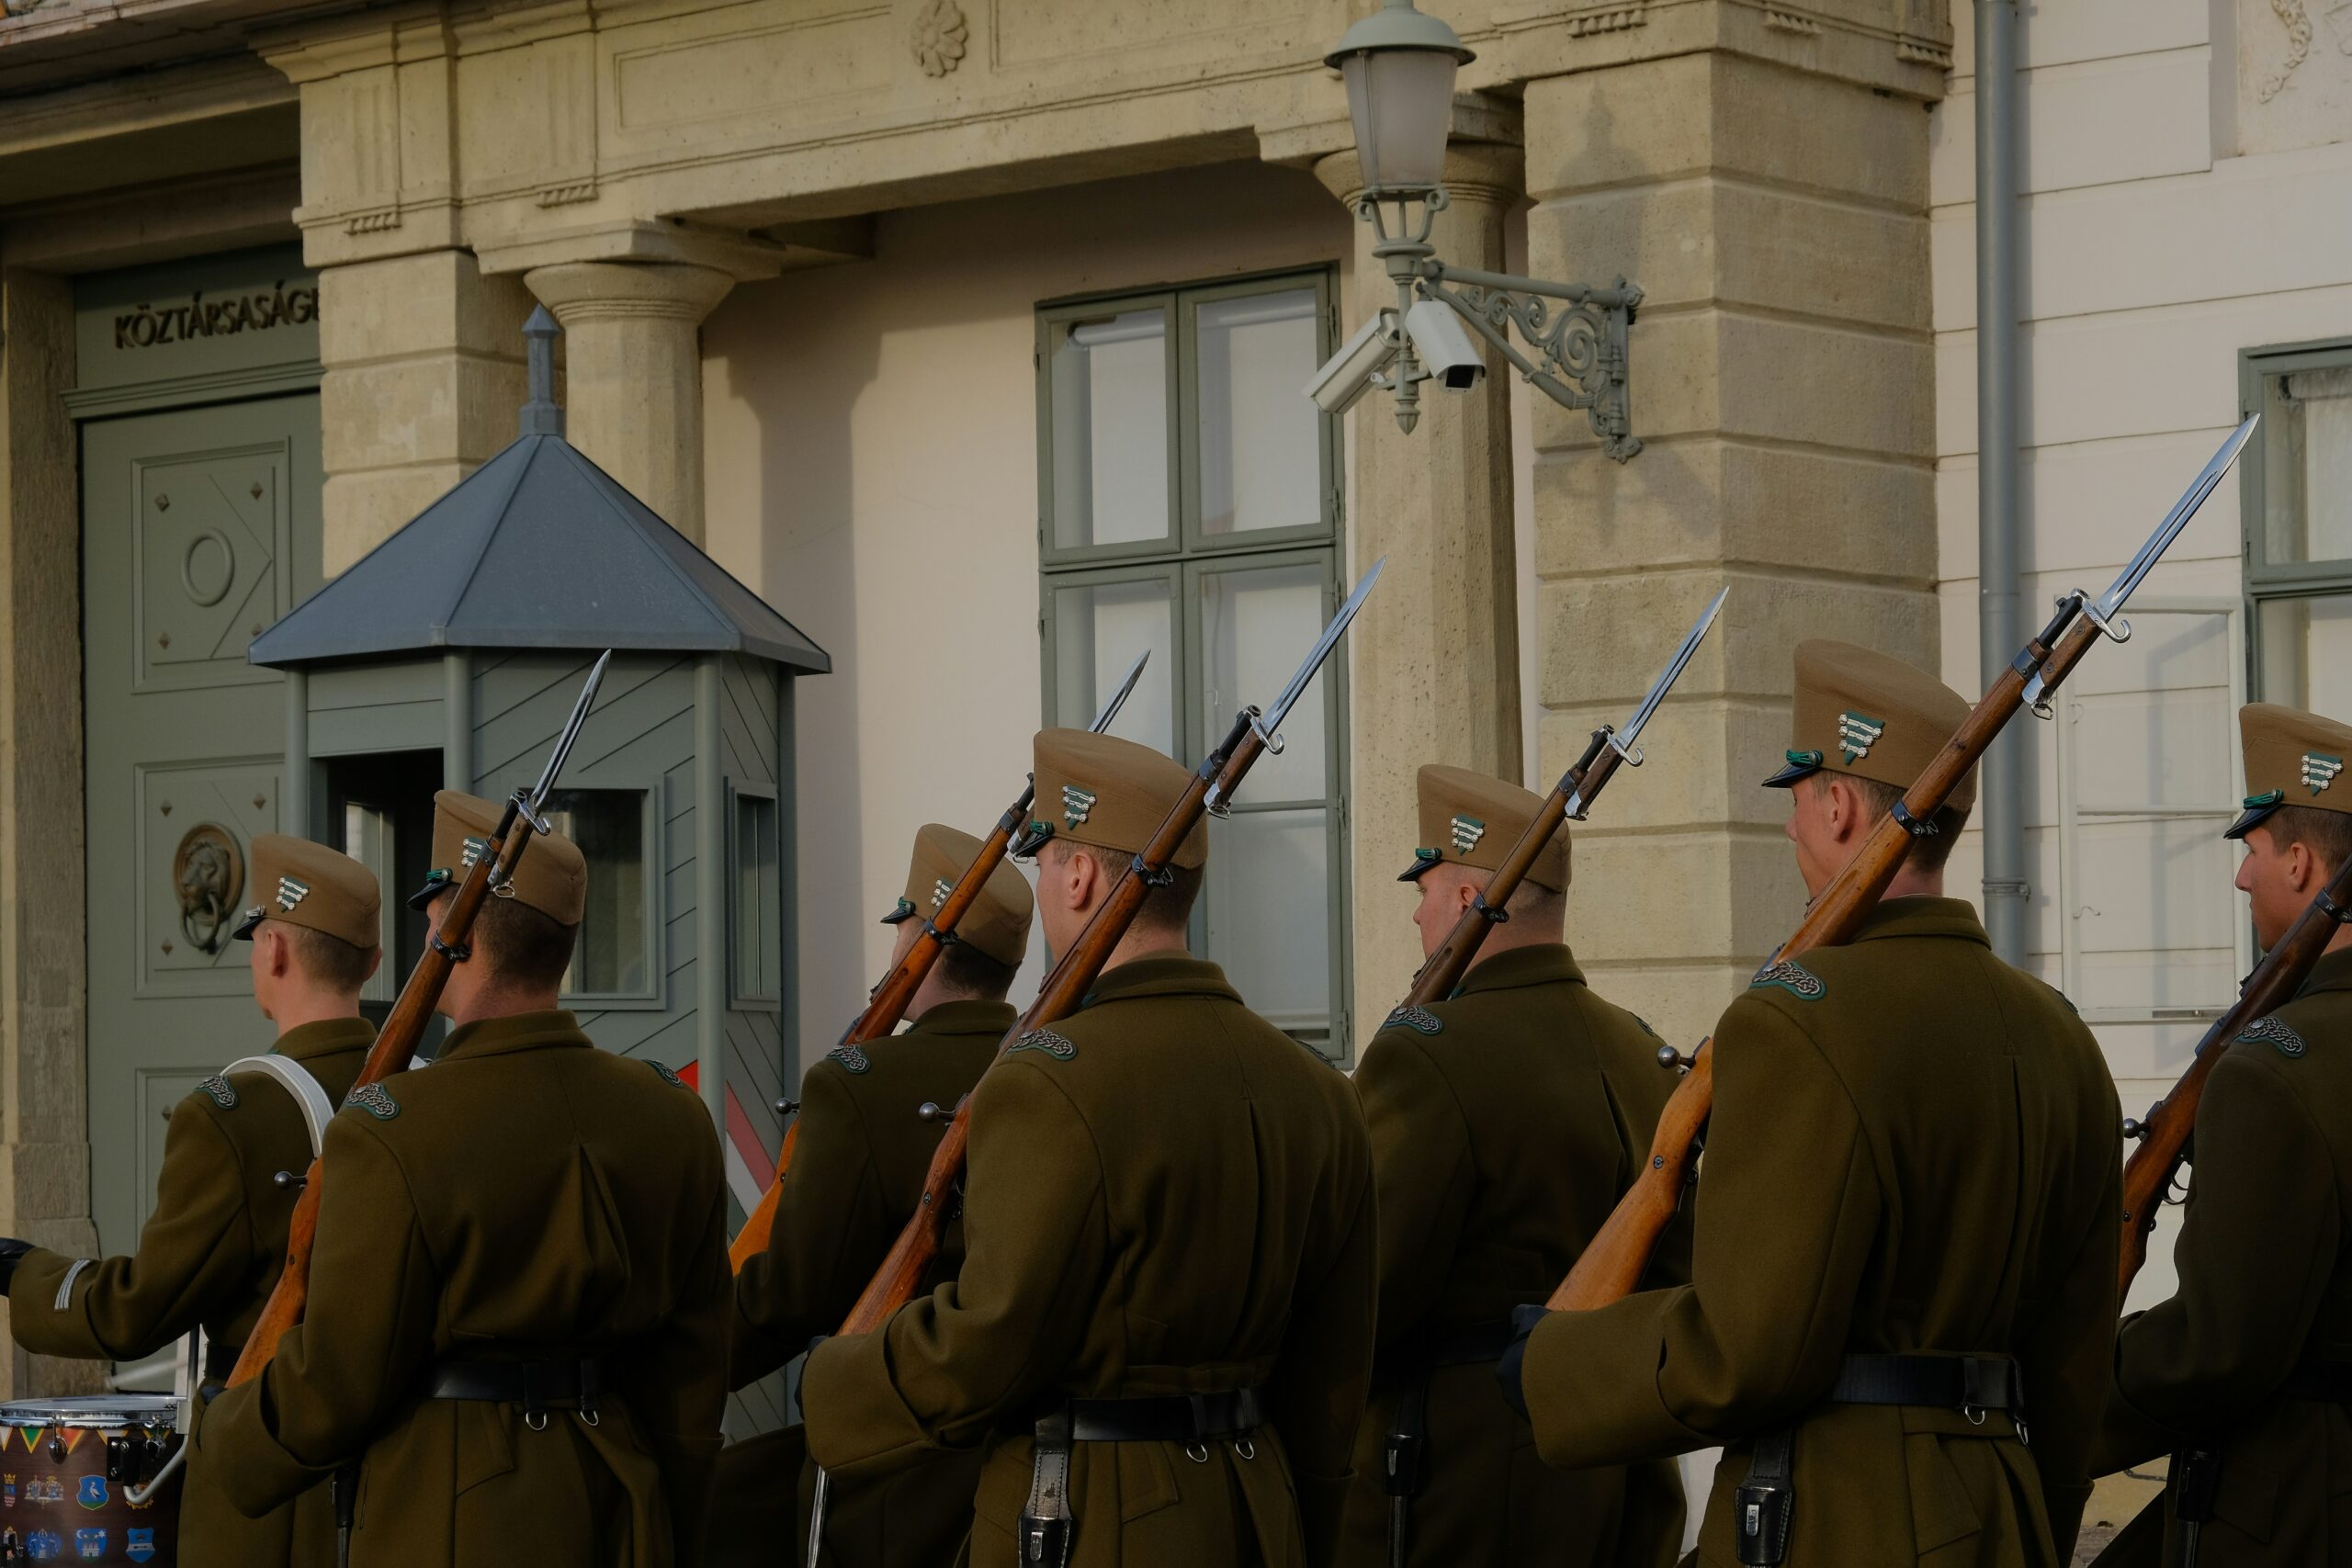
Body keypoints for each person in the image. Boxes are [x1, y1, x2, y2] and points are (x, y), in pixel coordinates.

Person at [1503, 640, 2122, 1566]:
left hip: (1840, 1520)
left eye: (1797, 797)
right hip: (2003, 1513)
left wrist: (1557, 1364)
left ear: (1837, 806)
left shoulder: (1796, 1022)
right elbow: (2074, 1364)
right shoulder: (2058, 1035)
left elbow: (1745, 1349)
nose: (1790, 827)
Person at [799, 728, 1375, 1568]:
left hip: (1090, 1519)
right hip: (1260, 1510)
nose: (1041, 885)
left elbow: (989, 1340)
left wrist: (838, 1382)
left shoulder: (1047, 1082)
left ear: (1079, 876)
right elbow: (1334, 1377)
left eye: (1046, 862)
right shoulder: (1319, 1089)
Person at [195, 791, 730, 1568]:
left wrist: (228, 1433)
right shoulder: (672, 1113)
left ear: (452, 930)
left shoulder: (393, 1126)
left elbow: (340, 1379)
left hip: (447, 1520)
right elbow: (694, 1374)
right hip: (625, 1503)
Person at [1336, 765, 1687, 1568]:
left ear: (1467, 901)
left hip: (1460, 1485)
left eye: (1426, 889)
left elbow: (1368, 1296)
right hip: (1615, 1476)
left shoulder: (1427, 1057)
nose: (1418, 913)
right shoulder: (1642, 1048)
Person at [2, 834, 383, 1568]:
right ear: (369, 962)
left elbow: (140, 1308)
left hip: (274, 1492)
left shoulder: (233, 1114)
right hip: (404, 1481)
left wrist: (24, 1272)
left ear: (272, 952)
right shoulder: (424, 1089)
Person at [713, 821, 1035, 1567]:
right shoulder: (1051, 1062)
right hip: (1012, 1458)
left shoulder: (856, 1083)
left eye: (905, 925)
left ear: (922, 943)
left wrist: (676, 1368)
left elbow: (787, 1295)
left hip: (886, 1472)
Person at [2089, 702, 2352, 1565]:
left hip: (2296, 1507)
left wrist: (2067, 1395)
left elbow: (2217, 1349)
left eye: (2255, 849)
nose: (2242, 878)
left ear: (2304, 863)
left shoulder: (2272, 1066)